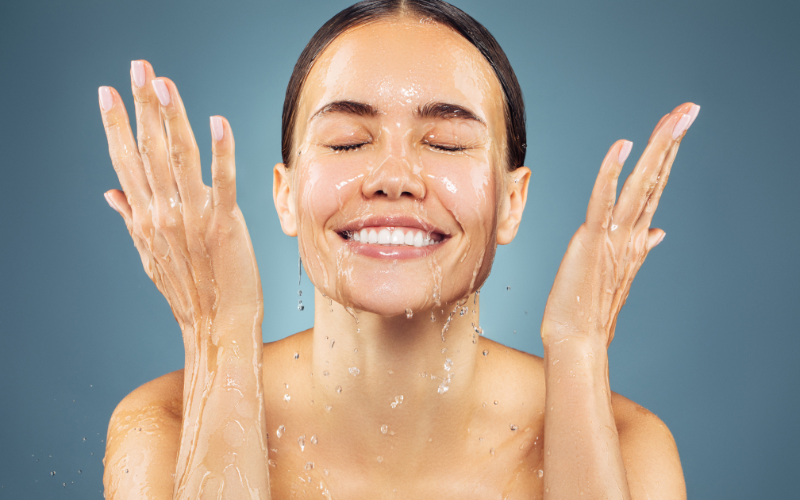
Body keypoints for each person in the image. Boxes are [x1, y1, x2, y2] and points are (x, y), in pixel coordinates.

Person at [97, 0, 696, 498]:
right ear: (285, 195)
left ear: (511, 202)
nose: (394, 175)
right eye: (348, 141)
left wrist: (579, 351)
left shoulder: (622, 441)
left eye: (445, 143)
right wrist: (218, 336)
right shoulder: (167, 424)